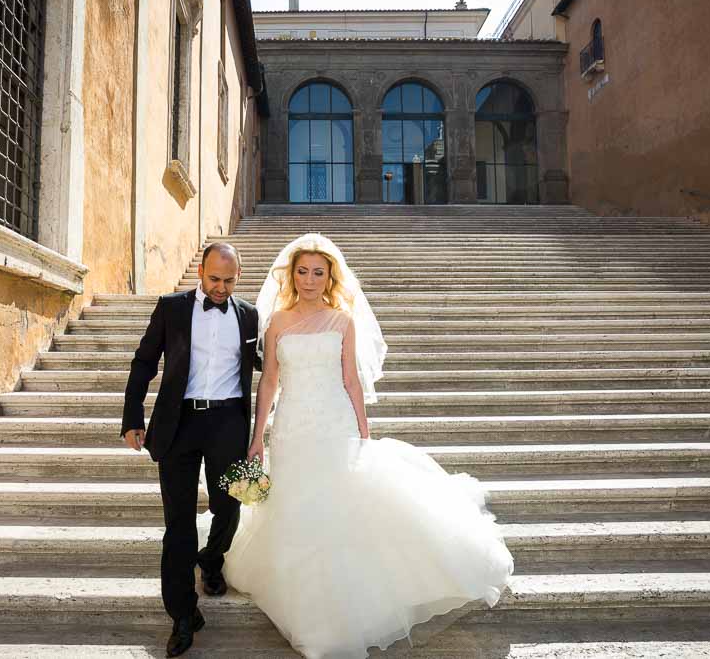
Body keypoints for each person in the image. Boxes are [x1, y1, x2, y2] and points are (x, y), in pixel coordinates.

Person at [200, 233, 515, 659]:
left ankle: (337, 607)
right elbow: (269, 381)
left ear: (330, 277)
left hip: (334, 423)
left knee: (337, 509)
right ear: (291, 275)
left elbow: (351, 381)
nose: (309, 279)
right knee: (296, 511)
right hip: (292, 426)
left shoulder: (342, 320)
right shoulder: (276, 322)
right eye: (302, 271)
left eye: (318, 272)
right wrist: (258, 438)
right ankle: (307, 603)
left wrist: (363, 432)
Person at [121, 241, 261, 657]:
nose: (221, 288)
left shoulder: (250, 314)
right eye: (214, 279)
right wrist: (132, 418)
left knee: (240, 502)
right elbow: (143, 361)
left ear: (239, 276)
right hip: (178, 425)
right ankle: (182, 615)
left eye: (229, 280)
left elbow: (266, 365)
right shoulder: (172, 307)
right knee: (177, 525)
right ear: (201, 272)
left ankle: (212, 559)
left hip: (230, 423)